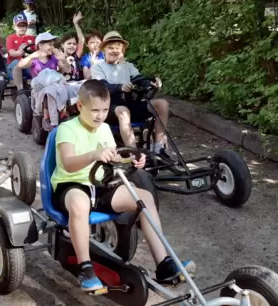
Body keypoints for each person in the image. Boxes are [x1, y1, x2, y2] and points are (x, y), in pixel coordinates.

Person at [50, 79, 195, 291]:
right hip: (71, 185)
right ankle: (85, 267)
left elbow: (114, 157)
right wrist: (93, 154)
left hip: (101, 184)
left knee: (143, 197)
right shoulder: (67, 128)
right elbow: (68, 163)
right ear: (80, 106)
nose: (100, 115)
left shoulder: (105, 128)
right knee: (80, 203)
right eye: (95, 110)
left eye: (105, 110)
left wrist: (132, 159)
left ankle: (164, 265)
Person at [91, 31, 172, 161]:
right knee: (123, 111)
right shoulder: (97, 67)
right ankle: (135, 155)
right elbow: (103, 85)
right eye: (111, 48)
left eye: (118, 48)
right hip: (109, 108)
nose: (114, 51)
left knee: (162, 104)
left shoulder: (128, 66)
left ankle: (158, 148)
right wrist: (120, 87)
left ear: (122, 50)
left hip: (129, 104)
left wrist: (152, 83)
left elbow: (140, 80)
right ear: (104, 49)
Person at [5, 14, 35, 80]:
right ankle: (19, 84)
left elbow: (36, 51)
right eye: (19, 26)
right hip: (14, 64)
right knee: (16, 62)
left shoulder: (31, 38)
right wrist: (20, 51)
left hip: (27, 64)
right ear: (14, 27)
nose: (22, 28)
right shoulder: (10, 38)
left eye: (24, 26)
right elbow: (12, 53)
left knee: (36, 62)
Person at [59, 12, 85, 82]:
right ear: (62, 45)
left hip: (77, 85)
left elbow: (81, 40)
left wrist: (76, 24)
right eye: (69, 43)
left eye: (74, 44)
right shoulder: (58, 58)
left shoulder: (76, 56)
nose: (72, 46)